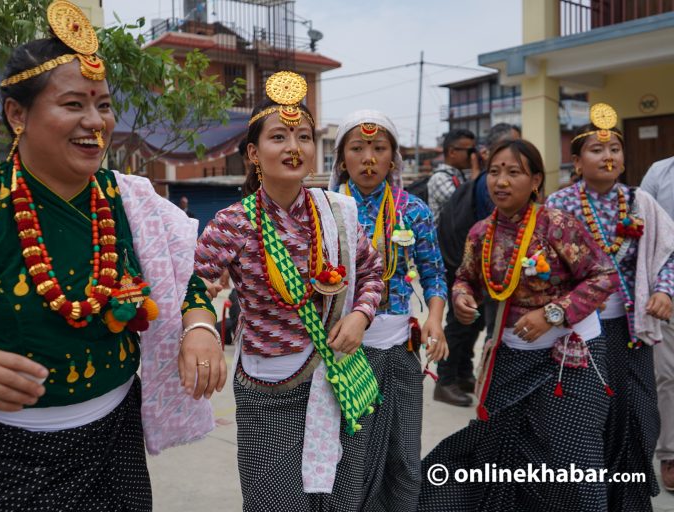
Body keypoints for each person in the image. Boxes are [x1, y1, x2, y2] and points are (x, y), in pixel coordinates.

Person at [0, 2, 225, 510]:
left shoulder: (130, 201)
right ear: (17, 115)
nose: (95, 122)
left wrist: (201, 328)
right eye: (74, 104)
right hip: (6, 458)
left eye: (103, 104)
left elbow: (185, 280)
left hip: (117, 443)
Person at [195, 71, 385, 510]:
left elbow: (373, 274)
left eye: (303, 136)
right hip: (268, 389)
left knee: (339, 499)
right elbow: (193, 287)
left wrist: (359, 316)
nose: (294, 147)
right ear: (253, 154)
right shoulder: (233, 223)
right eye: (279, 136)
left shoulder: (336, 213)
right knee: (275, 503)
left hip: (337, 379)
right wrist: (200, 328)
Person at [418, 139, 619, 511]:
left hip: (569, 358)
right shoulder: (481, 232)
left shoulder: (557, 225)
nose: (501, 181)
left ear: (536, 180)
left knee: (571, 454)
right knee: (497, 447)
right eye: (494, 172)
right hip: (512, 356)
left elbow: (603, 277)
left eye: (514, 172)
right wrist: (463, 298)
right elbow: (465, 278)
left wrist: (552, 314)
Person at [547, 104, 674, 510]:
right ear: (578, 162)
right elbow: (540, 262)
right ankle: (584, 499)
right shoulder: (558, 205)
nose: (609, 157)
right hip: (577, 333)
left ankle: (629, 502)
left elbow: (668, 254)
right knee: (584, 420)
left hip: (629, 332)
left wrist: (664, 291)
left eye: (615, 149)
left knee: (637, 416)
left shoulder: (640, 203)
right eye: (598, 151)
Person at [328, 110, 449, 510]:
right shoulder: (324, 210)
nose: (368, 158)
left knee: (404, 453)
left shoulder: (413, 209)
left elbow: (433, 272)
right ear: (341, 158)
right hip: (343, 350)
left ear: (393, 159)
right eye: (357, 148)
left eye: (379, 148)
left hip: (401, 349)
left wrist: (435, 318)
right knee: (351, 456)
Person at [434, 124, 521, 406]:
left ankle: (462, 373)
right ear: (489, 153)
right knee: (461, 321)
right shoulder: (488, 183)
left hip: (475, 264)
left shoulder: (486, 180)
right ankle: (445, 380)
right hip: (462, 264)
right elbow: (493, 231)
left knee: (475, 322)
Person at [641, 154, 674, 493]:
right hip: (668, 289)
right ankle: (670, 452)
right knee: (668, 373)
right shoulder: (659, 172)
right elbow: (642, 227)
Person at [426, 128, 477, 224]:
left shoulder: (461, 174)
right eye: (470, 151)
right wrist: (476, 168)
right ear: (452, 152)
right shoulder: (439, 178)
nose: (473, 155)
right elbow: (466, 205)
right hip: (444, 238)